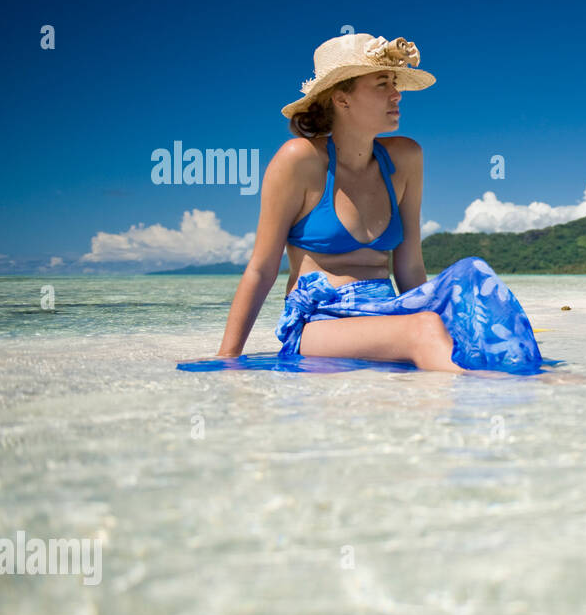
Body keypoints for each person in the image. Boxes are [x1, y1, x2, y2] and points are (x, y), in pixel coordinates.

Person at [215, 32, 545, 375]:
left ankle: (535, 380)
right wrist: (227, 359)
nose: (396, 93)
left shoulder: (405, 159)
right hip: (321, 323)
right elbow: (261, 268)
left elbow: (411, 269)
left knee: (473, 277)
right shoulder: (300, 160)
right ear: (342, 99)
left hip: (389, 310)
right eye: (382, 83)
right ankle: (498, 397)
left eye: (395, 82)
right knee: (423, 331)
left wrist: (451, 323)